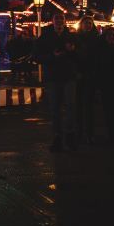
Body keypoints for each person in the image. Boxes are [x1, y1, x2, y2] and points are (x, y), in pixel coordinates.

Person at [34, 12, 79, 151]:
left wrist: (73, 51)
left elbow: (80, 55)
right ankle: (58, 136)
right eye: (57, 18)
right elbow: (36, 56)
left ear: (65, 21)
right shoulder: (45, 37)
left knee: (71, 106)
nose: (59, 21)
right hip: (53, 77)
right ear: (53, 21)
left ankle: (69, 134)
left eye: (61, 19)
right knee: (55, 109)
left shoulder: (72, 36)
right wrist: (52, 57)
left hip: (68, 76)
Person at [75, 16, 102, 145]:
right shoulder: (76, 38)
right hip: (80, 74)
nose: (88, 25)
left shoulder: (97, 39)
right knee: (79, 105)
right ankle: (80, 132)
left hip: (91, 74)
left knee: (89, 106)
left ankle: (89, 133)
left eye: (90, 23)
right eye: (86, 23)